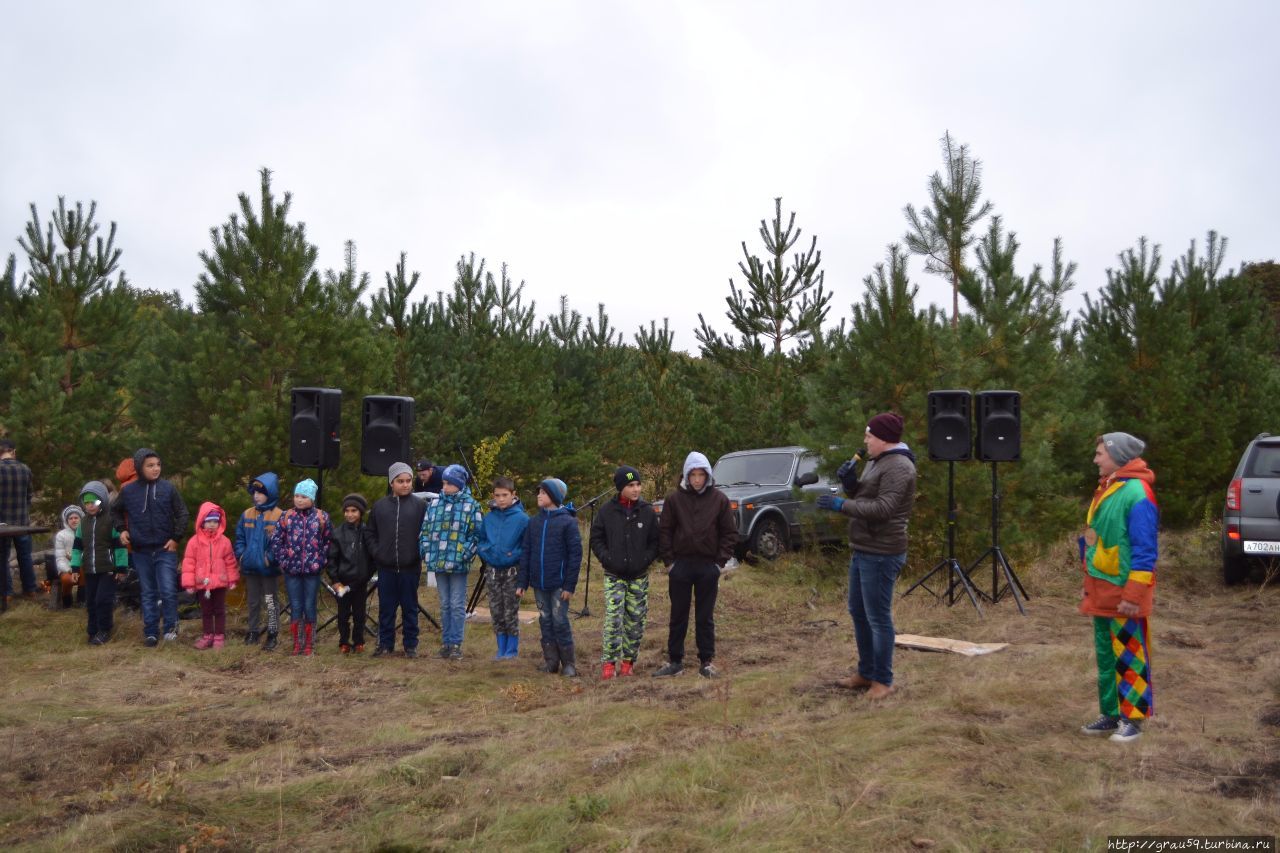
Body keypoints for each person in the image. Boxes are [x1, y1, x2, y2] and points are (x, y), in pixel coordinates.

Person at [817, 412, 918, 700]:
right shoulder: (877, 461)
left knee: (878, 617)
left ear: (884, 438)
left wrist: (841, 504)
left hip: (883, 552)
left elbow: (883, 509)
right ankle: (866, 672)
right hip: (863, 548)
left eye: (869, 435)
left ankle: (883, 681)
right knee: (858, 612)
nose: (865, 440)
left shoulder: (899, 467)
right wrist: (851, 485)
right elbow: (867, 496)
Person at [1078, 432, 1158, 744]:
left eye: (1100, 453)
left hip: (1124, 593)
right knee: (1107, 656)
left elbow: (1145, 551)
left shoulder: (1137, 493)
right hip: (1101, 588)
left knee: (1130, 657)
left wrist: (1133, 596)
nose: (1096, 459)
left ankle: (1133, 721)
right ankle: (1111, 714)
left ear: (1118, 456)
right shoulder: (1110, 487)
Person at [654, 452, 737, 679]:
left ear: (708, 475)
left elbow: (729, 533)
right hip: (680, 566)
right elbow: (665, 531)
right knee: (678, 614)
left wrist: (719, 564)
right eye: (693, 474)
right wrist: (670, 562)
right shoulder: (674, 500)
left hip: (708, 567)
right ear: (686, 475)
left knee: (705, 615)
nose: (697, 479)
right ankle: (675, 661)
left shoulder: (719, 499)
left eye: (701, 474)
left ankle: (706, 661)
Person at [111, 448, 189, 646]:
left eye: (158, 465)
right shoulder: (128, 491)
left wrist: (176, 538)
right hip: (141, 550)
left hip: (165, 549)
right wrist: (122, 530)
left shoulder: (167, 489)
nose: (155, 469)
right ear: (139, 467)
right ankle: (151, 631)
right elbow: (115, 511)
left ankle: (171, 628)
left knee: (168, 590)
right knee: (148, 592)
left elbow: (182, 513)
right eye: (150, 466)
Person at [591, 465, 660, 679]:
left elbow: (655, 542)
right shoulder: (606, 511)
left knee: (635, 621)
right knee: (614, 620)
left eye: (638, 484)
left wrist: (645, 560)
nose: (636, 489)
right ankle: (609, 663)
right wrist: (607, 558)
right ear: (621, 487)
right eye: (631, 485)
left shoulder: (647, 511)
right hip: (614, 576)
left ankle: (628, 662)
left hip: (638, 577)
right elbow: (596, 538)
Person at [516, 478, 582, 677]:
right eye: (539, 492)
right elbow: (526, 552)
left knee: (560, 620)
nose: (539, 496)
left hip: (559, 585)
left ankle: (568, 663)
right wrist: (522, 582)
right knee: (545, 621)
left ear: (553, 496)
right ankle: (551, 661)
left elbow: (575, 555)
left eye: (543, 493)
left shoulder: (567, 523)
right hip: (539, 584)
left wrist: (569, 585)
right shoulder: (534, 523)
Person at [420, 464, 483, 660]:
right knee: (445, 603)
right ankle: (446, 643)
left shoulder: (471, 505)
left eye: (448, 483)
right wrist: (426, 551)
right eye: (443, 483)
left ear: (459, 484)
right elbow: (425, 530)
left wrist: (464, 554)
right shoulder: (435, 505)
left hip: (458, 564)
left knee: (456, 604)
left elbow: (477, 535)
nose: (444, 486)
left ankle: (456, 643)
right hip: (438, 562)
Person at [368, 462, 428, 658]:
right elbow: (370, 533)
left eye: (408, 481)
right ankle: (385, 643)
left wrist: (418, 553)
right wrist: (377, 552)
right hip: (386, 567)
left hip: (410, 566)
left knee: (410, 607)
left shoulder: (420, 506)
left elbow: (426, 533)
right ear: (391, 482)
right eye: (400, 481)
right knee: (386, 607)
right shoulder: (380, 506)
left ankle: (411, 645)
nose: (405, 485)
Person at [268, 478, 332, 657]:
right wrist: (284, 561)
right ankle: (297, 643)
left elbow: (328, 541)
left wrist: (321, 561)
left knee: (310, 605)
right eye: (297, 495)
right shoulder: (287, 516)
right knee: (296, 606)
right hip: (292, 571)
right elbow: (275, 541)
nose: (299, 499)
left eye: (304, 496)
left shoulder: (321, 517)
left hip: (313, 571)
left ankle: (310, 644)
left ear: (312, 498)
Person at [70, 481, 128, 645]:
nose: (90, 506)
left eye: (93, 502)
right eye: (87, 502)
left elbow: (120, 546)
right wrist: (75, 567)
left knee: (103, 600)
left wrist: (121, 567)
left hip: (107, 569)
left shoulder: (111, 520)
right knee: (91, 601)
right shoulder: (83, 523)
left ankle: (104, 630)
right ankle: (92, 630)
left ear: (102, 500)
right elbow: (77, 547)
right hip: (89, 569)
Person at [478, 477, 529, 660]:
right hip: (492, 571)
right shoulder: (489, 517)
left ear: (513, 495)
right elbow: (481, 539)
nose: (501, 499)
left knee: (510, 611)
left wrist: (513, 555)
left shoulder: (522, 519)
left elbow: (526, 546)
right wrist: (486, 552)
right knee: (496, 610)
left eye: (505, 495)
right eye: (497, 495)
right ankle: (500, 648)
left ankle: (511, 650)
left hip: (512, 572)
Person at [234, 472, 284, 651]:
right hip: (250, 567)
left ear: (270, 493)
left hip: (268, 568)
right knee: (253, 601)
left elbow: (280, 542)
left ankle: (272, 633)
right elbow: (240, 537)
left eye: (260, 492)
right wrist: (242, 555)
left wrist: (269, 558)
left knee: (271, 601)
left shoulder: (279, 516)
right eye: (254, 492)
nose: (256, 496)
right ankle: (253, 631)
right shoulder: (247, 514)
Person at [181, 502, 240, 650]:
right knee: (206, 611)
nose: (212, 524)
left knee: (219, 610)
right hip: (203, 583)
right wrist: (189, 583)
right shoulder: (194, 542)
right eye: (209, 521)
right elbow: (189, 563)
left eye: (215, 521)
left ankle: (219, 635)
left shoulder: (224, 541)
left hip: (219, 582)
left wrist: (232, 579)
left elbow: (230, 562)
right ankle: (208, 635)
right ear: (202, 522)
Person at [328, 493, 373, 653]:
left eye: (354, 510)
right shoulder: (338, 533)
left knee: (360, 614)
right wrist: (335, 579)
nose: (350, 514)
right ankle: (344, 642)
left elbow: (372, 558)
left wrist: (366, 576)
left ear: (360, 512)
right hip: (342, 583)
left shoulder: (368, 532)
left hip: (360, 583)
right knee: (343, 614)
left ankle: (359, 641)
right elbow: (332, 559)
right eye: (347, 510)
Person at [0, 438, 37, 605]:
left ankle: (6, 593)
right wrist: (23, 509)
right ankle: (30, 590)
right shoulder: (25, 469)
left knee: (2, 558)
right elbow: (30, 496)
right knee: (25, 557)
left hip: (2, 524)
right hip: (22, 521)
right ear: (13, 451)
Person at [52, 505, 85, 609]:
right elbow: (60, 558)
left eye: (76, 518)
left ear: (80, 519)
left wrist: (76, 560)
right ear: (67, 521)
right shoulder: (61, 535)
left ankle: (82, 600)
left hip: (84, 566)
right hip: (66, 567)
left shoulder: (86, 533)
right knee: (67, 579)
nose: (73, 520)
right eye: (71, 518)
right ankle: (67, 599)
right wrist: (69, 569)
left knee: (84, 571)